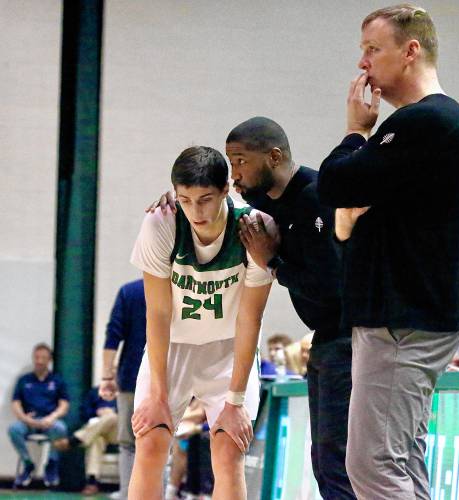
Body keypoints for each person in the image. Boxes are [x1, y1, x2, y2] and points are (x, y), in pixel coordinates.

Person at [317, 5, 459, 499]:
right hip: (404, 317)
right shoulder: (421, 127)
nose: (363, 64)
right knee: (400, 461)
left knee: (372, 465)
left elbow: (336, 181)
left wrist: (354, 131)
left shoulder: (426, 122)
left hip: (403, 320)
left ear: (410, 52)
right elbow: (346, 217)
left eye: (372, 49)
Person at [153, 117, 354, 498]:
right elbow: (219, 194)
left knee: (341, 462)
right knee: (325, 462)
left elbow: (332, 285)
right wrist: (177, 198)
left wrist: (273, 262)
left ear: (274, 157)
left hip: (351, 339)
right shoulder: (269, 200)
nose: (235, 173)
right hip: (326, 341)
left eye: (241, 160)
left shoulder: (315, 196)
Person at [129, 145, 274, 500]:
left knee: (228, 452)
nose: (196, 210)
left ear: (226, 189)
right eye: (186, 200)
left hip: (228, 350)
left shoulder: (254, 228)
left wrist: (236, 401)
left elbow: (250, 317)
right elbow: (158, 314)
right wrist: (158, 396)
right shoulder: (161, 223)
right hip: (173, 348)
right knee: (150, 441)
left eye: (206, 199)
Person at [98, 278, 146, 499]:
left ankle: (128, 493)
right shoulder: (182, 287)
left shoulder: (130, 291)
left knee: (128, 443)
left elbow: (113, 334)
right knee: (163, 444)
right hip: (170, 379)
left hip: (131, 377)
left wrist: (107, 375)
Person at [8, 343, 69, 489]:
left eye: (43, 358)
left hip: (49, 422)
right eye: (36, 357)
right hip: (29, 421)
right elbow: (15, 403)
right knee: (13, 429)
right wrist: (25, 418)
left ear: (49, 360)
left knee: (61, 428)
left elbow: (64, 405)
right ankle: (28, 464)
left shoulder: (57, 380)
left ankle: (51, 464)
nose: (39, 361)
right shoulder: (24, 380)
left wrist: (52, 417)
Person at [54, 386, 118, 495]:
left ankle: (75, 440)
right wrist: (97, 412)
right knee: (96, 440)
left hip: (119, 433)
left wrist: (113, 411)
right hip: (96, 431)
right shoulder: (94, 392)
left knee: (112, 417)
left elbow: (131, 412)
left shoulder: (126, 393)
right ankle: (92, 482)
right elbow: (84, 412)